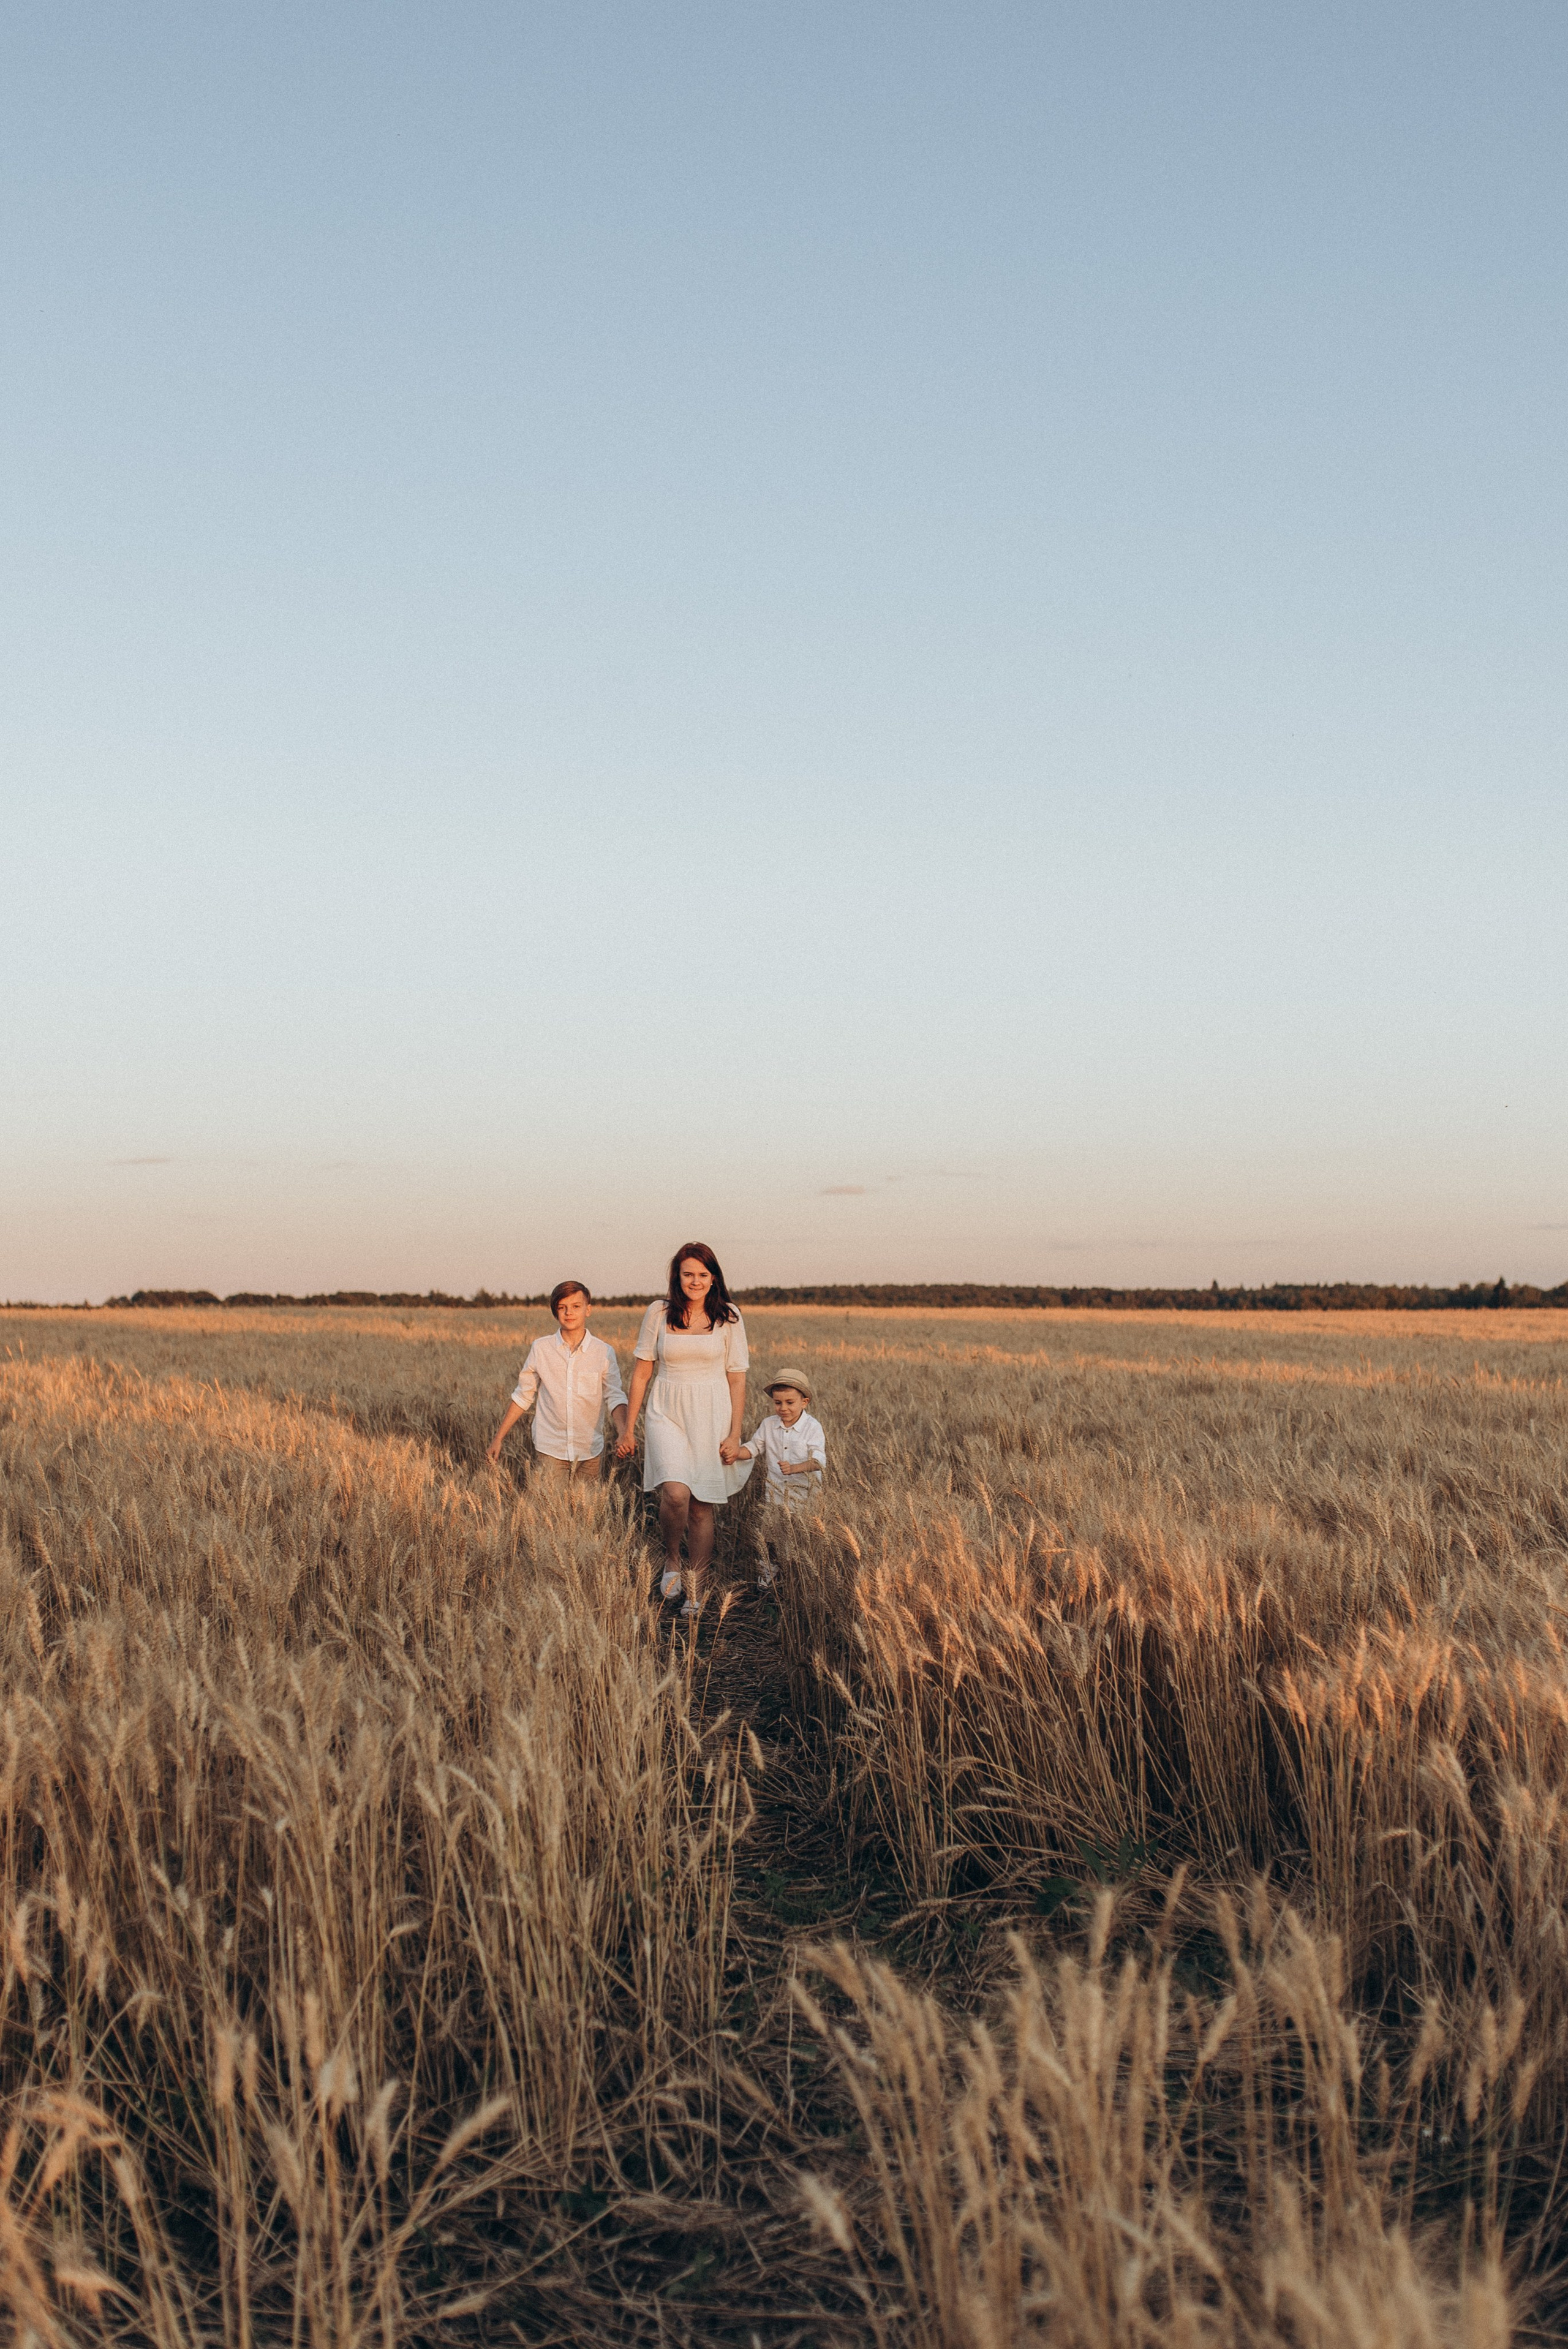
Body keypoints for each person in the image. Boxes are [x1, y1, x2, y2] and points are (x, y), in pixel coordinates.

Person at [616, 1242, 752, 1616]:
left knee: (701, 1505)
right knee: (675, 1494)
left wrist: (735, 1434)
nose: (695, 1281)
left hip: (712, 1412)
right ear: (678, 1276)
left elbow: (737, 1378)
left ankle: (697, 1582)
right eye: (688, 1273)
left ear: (714, 1278)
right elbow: (643, 1372)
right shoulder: (658, 1313)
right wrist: (629, 1429)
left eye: (703, 1275)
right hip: (667, 1409)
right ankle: (673, 1558)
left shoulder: (730, 1316)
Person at [486, 1280, 628, 1485]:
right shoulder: (541, 1349)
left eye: (576, 1307)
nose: (569, 1313)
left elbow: (614, 1395)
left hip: (589, 1450)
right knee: (550, 1511)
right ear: (555, 1312)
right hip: (550, 1448)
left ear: (588, 1310)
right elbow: (523, 1396)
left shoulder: (603, 1352)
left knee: (585, 1512)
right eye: (562, 1308)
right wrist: (499, 1438)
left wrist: (624, 1433)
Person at [737, 1368, 826, 1587]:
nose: (783, 1408)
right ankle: (771, 1572)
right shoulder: (768, 1425)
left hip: (805, 1496)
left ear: (804, 1402)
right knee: (772, 1536)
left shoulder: (813, 1427)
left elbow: (819, 1462)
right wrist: (735, 1452)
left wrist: (795, 1468)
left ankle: (800, 1576)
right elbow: (754, 1448)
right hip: (776, 1493)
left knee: (801, 1536)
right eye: (778, 1403)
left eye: (790, 1402)